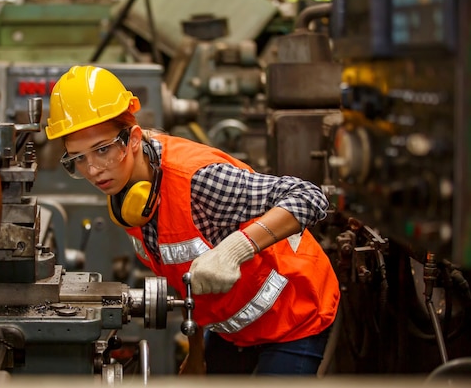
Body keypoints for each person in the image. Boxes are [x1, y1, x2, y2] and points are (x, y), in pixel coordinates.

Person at [45, 65, 340, 376]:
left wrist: (235, 249)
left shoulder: (198, 180)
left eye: (102, 150)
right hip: (232, 327)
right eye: (79, 158)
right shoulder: (128, 199)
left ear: (132, 139)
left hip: (295, 313)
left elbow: (309, 196)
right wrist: (196, 353)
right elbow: (187, 279)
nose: (92, 170)